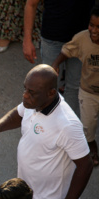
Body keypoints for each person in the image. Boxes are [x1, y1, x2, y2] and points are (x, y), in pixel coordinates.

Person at [0, 64, 93, 199]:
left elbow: (85, 165)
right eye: (25, 89)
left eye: (31, 92)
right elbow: (19, 113)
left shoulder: (67, 124)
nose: (25, 96)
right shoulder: (33, 103)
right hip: (25, 192)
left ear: (51, 93)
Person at [23, 0, 94, 115]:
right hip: (52, 39)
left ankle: (66, 123)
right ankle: (45, 122)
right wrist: (27, 40)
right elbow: (31, 4)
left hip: (82, 41)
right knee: (47, 85)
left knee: (75, 86)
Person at [52, 6, 99, 167]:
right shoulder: (82, 38)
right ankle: (92, 149)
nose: (94, 30)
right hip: (88, 92)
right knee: (88, 127)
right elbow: (67, 50)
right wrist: (56, 64)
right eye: (92, 25)